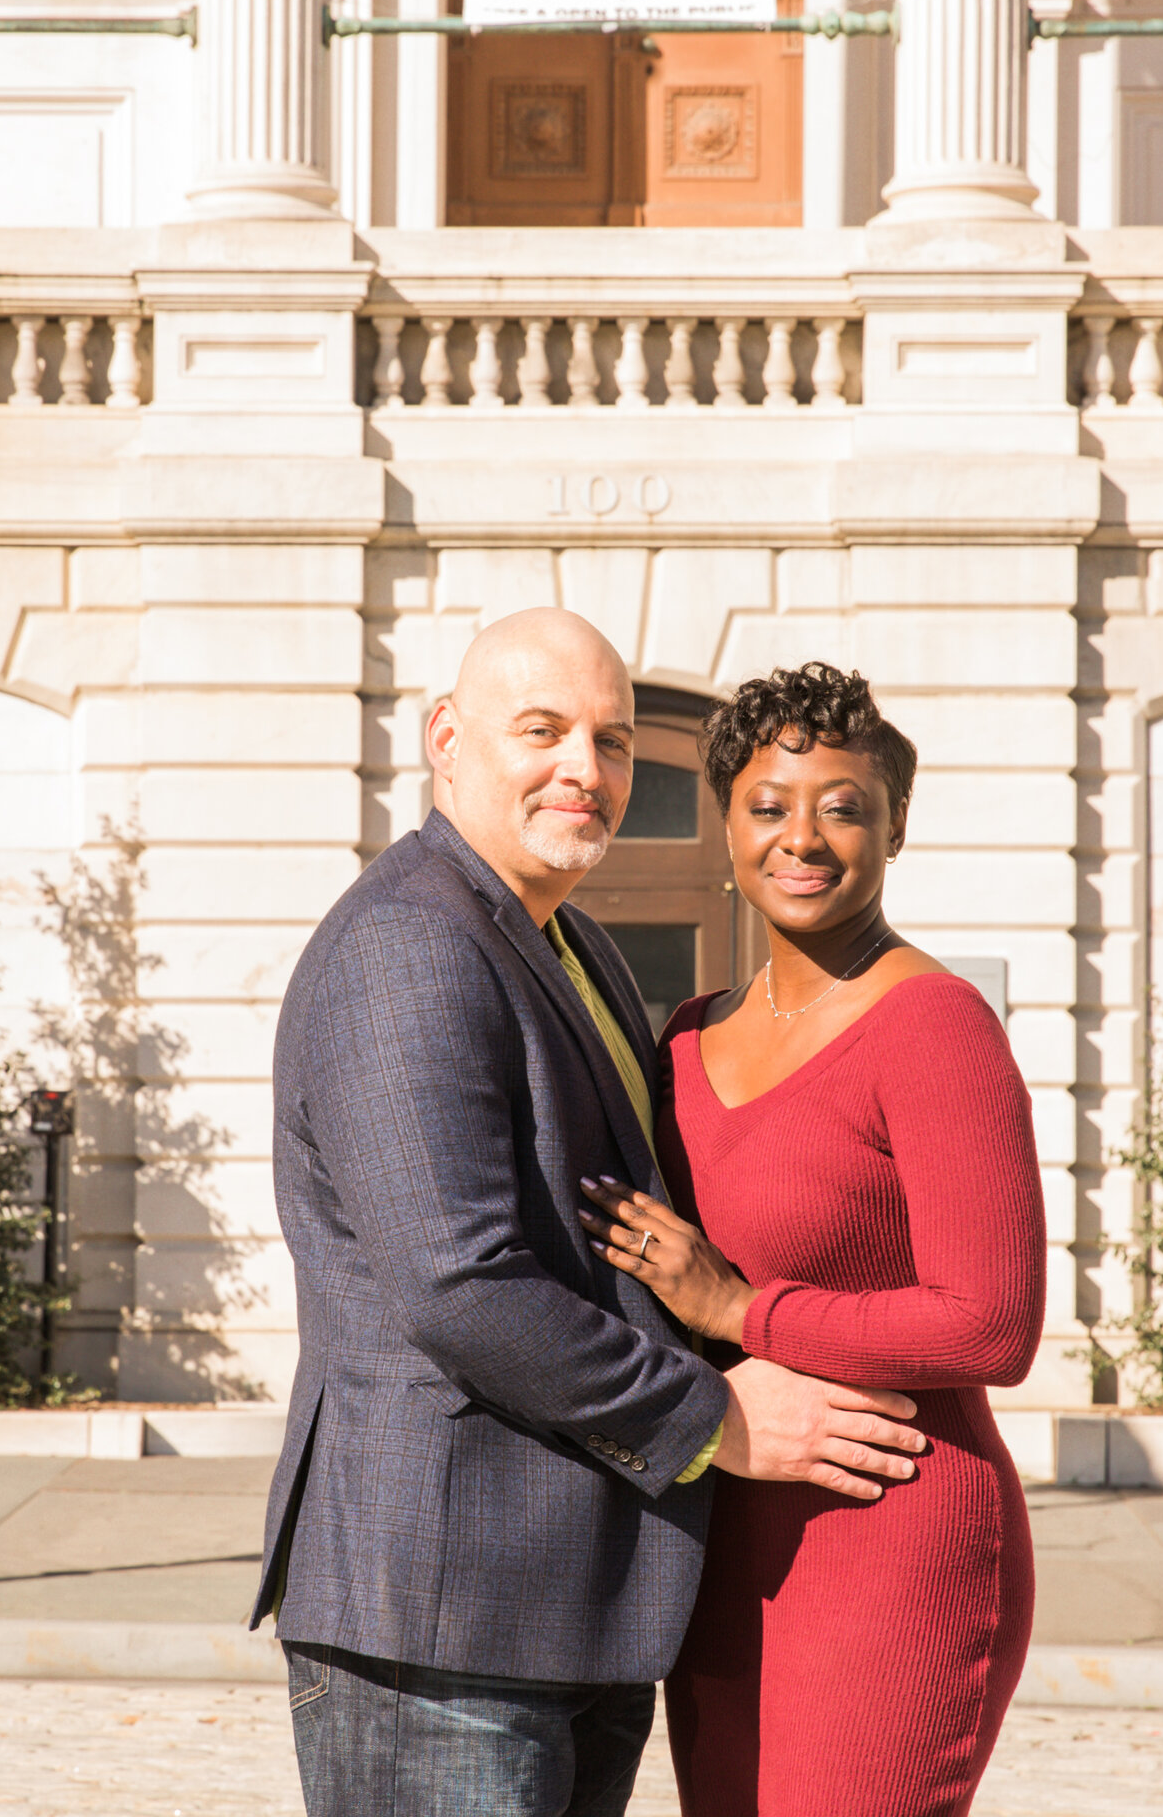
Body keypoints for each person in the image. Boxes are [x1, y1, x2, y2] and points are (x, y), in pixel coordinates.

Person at [253, 611, 933, 1817]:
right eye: (542, 730)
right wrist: (715, 1415)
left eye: (613, 740)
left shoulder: (569, 942)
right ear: (446, 741)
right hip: (445, 1619)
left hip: (562, 1606)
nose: (587, 767)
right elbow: (460, 1286)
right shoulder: (410, 946)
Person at [579, 661, 1047, 1817]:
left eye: (843, 805)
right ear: (726, 820)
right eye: (769, 805)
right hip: (722, 1530)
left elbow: (991, 1321)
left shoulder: (934, 1026)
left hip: (891, 1529)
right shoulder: (686, 1037)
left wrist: (742, 1310)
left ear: (895, 823)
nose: (805, 837)